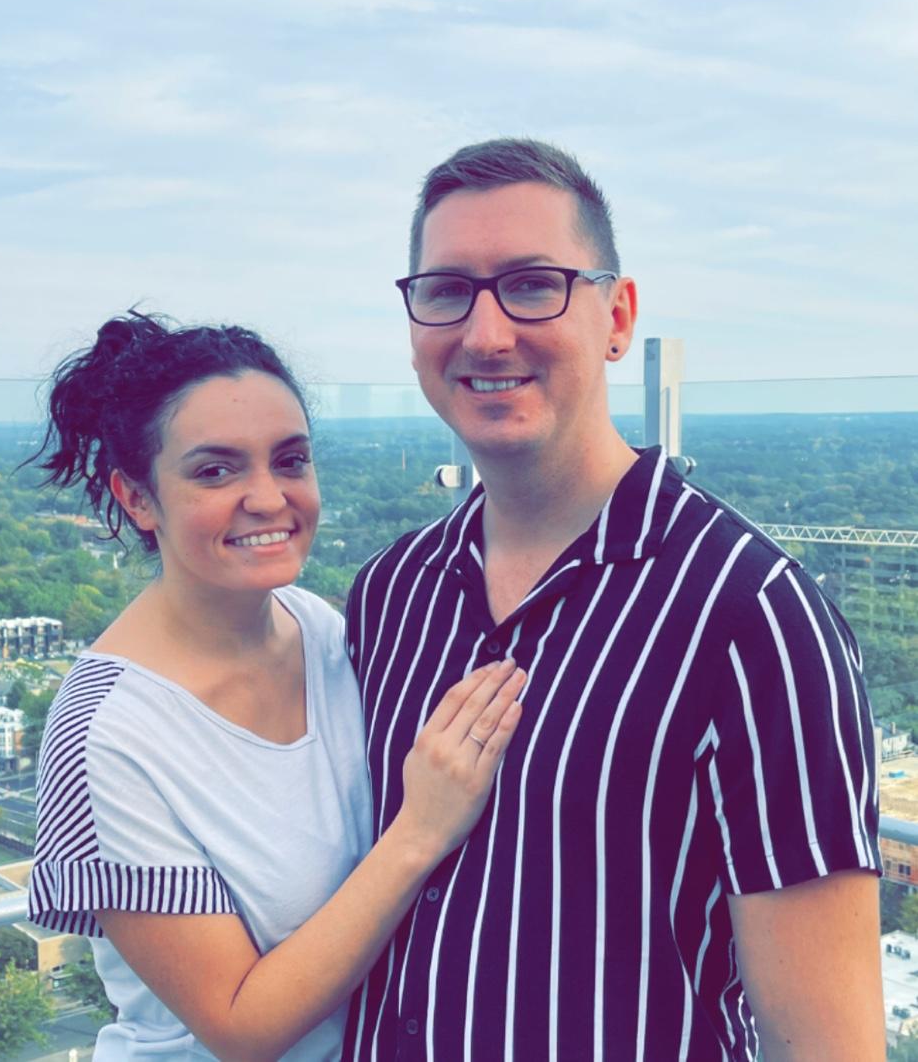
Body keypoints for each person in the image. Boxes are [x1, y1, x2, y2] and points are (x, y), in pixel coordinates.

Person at [343, 139, 884, 1060]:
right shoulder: (391, 594)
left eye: (533, 285)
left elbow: (826, 1045)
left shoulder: (754, 618)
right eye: (447, 291)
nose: (485, 334)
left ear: (618, 318)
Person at [25, 312, 525, 1060]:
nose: (267, 498)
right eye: (215, 471)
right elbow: (240, 1026)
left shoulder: (317, 628)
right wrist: (421, 831)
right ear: (135, 497)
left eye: (290, 461)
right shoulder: (106, 735)